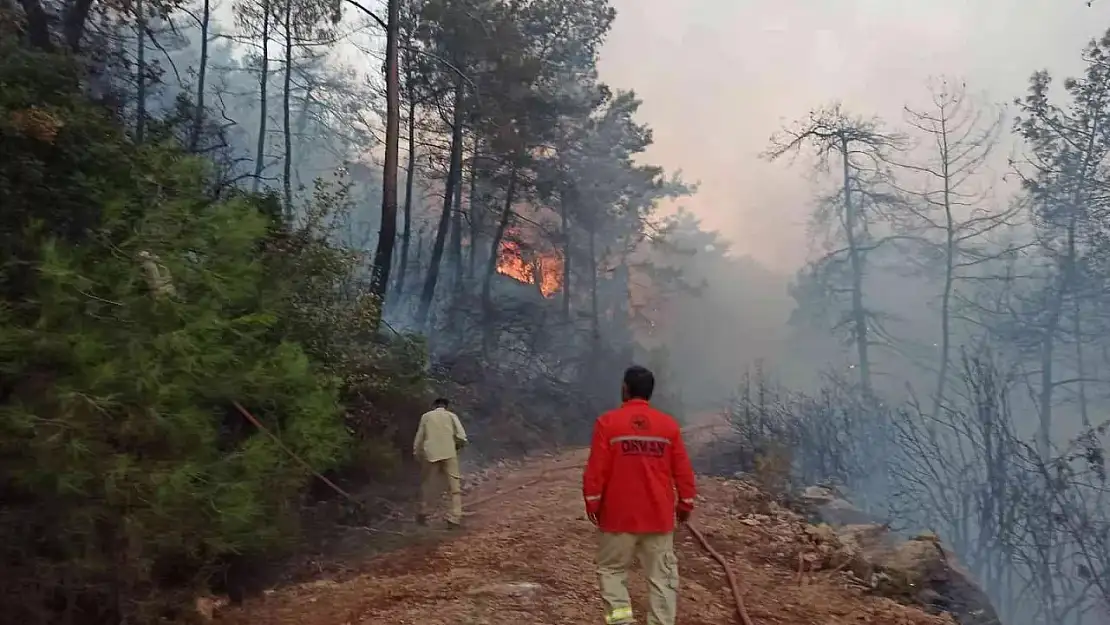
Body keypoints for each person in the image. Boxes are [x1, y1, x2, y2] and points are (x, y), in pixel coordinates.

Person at [582, 366, 697, 625]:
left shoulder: (608, 423)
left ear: (625, 388)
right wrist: (686, 502)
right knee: (663, 577)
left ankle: (621, 622)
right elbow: (683, 470)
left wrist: (593, 502)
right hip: (658, 517)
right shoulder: (668, 426)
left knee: (612, 572)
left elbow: (595, 470)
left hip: (617, 517)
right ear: (650, 392)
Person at [413, 397, 468, 528]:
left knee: (429, 486)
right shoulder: (451, 416)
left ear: (433, 406)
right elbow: (461, 436)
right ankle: (455, 517)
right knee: (454, 488)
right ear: (446, 406)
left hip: (431, 454)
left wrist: (417, 454)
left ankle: (424, 512)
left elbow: (419, 438)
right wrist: (457, 447)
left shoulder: (426, 417)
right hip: (449, 453)